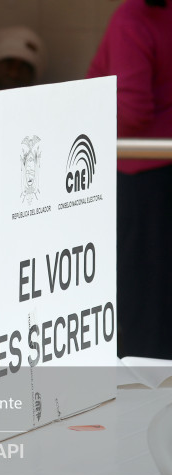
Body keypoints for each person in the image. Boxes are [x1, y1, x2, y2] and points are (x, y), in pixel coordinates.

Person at [86, 0, 172, 360]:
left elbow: (132, 113)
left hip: (146, 176)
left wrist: (80, 107)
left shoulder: (134, 17)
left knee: (148, 316)